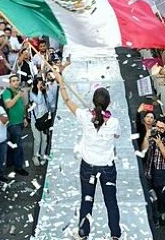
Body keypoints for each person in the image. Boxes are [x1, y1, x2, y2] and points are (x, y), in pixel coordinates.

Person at [55, 71, 122, 240]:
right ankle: (115, 234)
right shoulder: (114, 123)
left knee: (87, 200)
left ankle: (84, 233)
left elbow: (67, 100)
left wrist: (61, 82)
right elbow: (117, 136)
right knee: (111, 202)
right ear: (109, 103)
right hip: (107, 167)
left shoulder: (85, 116)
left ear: (93, 101)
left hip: (88, 166)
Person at [144, 115, 165, 226]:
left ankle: (162, 214)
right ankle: (153, 218)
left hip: (162, 173)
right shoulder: (152, 134)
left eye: (161, 128)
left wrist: (160, 144)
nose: (158, 130)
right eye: (157, 127)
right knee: (149, 197)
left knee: (162, 197)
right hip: (149, 171)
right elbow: (143, 149)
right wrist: (147, 136)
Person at [3, 75, 29, 176]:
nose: (16, 82)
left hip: (19, 122)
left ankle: (10, 162)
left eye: (17, 80)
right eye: (13, 81)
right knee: (18, 146)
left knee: (12, 144)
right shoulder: (7, 92)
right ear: (10, 83)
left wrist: (24, 117)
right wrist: (18, 96)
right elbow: (8, 105)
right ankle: (18, 167)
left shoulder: (19, 91)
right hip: (13, 123)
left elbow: (21, 106)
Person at [29, 76, 56, 166]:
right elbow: (39, 101)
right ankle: (35, 156)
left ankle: (42, 154)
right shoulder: (32, 93)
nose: (41, 85)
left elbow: (51, 101)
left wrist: (47, 90)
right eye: (39, 84)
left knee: (44, 139)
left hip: (44, 118)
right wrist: (39, 91)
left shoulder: (44, 92)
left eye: (42, 83)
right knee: (38, 139)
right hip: (36, 120)